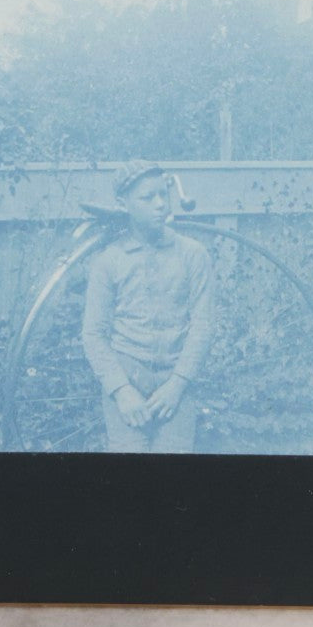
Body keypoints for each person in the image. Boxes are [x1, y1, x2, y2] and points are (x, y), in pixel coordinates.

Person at [81, 161, 216, 453]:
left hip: (175, 384)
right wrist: (121, 391)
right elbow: (94, 334)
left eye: (163, 195)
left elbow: (202, 326)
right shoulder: (109, 261)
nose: (159, 205)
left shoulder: (193, 255)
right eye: (147, 198)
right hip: (127, 379)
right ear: (124, 203)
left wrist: (178, 385)